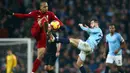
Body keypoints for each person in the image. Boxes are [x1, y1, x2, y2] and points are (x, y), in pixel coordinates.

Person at [1, 1, 64, 73]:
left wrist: (62, 26)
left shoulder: (50, 14)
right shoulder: (35, 13)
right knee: (44, 20)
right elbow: (24, 15)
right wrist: (12, 14)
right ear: (40, 7)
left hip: (42, 35)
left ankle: (32, 71)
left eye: (47, 6)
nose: (46, 8)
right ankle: (47, 31)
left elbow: (58, 20)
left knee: (40, 55)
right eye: (44, 7)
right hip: (35, 30)